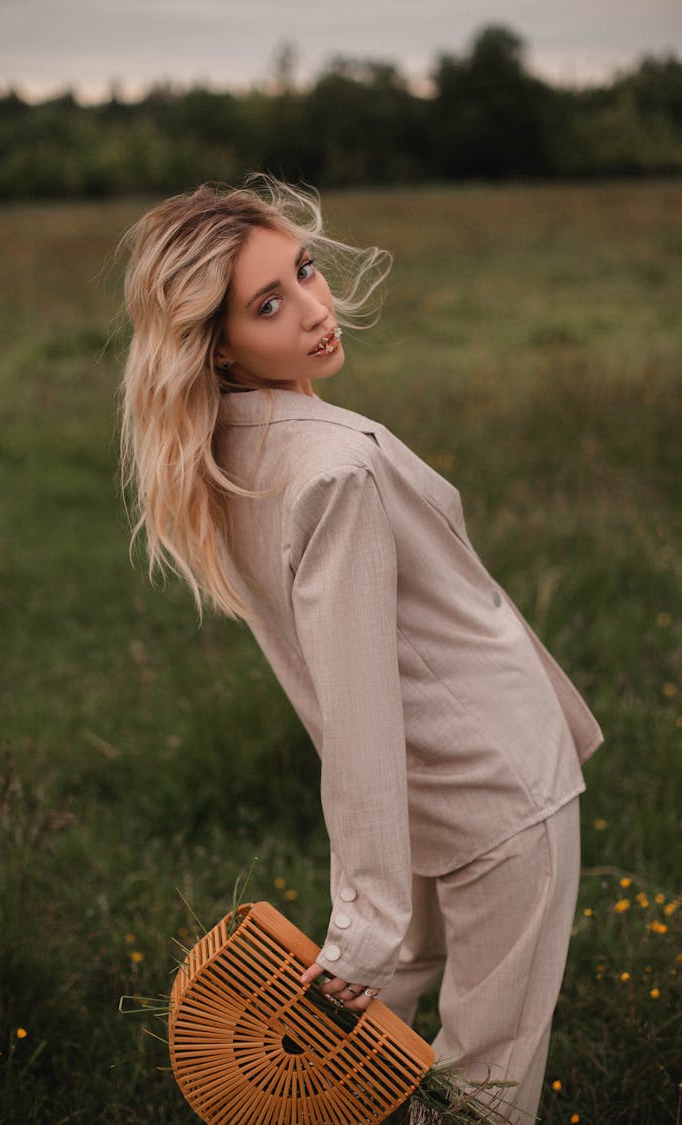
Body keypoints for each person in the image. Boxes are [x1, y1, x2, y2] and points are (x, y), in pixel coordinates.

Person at [119, 177, 602, 1121]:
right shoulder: (333, 467)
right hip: (499, 789)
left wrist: (369, 921)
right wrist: (363, 927)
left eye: (304, 272)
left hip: (434, 787)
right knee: (484, 1085)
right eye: (270, 303)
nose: (315, 309)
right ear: (213, 343)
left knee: (377, 1057)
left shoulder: (225, 459)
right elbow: (358, 710)